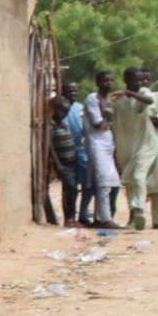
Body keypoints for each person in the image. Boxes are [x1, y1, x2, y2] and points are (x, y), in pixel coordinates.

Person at [108, 67, 158, 228]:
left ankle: (143, 213)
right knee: (132, 181)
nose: (141, 83)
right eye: (137, 80)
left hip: (151, 143)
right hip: (127, 145)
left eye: (144, 79)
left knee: (150, 182)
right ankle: (134, 217)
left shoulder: (152, 97)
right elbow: (108, 113)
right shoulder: (119, 100)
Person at [82, 69, 121, 224]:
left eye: (111, 80)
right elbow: (99, 124)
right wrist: (110, 120)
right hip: (96, 143)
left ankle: (100, 216)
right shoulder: (93, 98)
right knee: (104, 181)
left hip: (108, 143)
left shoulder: (110, 100)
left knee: (111, 181)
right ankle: (103, 218)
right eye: (105, 81)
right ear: (97, 83)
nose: (109, 84)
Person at [48, 89, 87, 226]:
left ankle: (71, 218)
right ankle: (69, 218)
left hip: (72, 161)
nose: (64, 114)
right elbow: (50, 146)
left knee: (72, 190)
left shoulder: (63, 124)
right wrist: (57, 164)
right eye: (62, 111)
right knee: (70, 188)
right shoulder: (50, 125)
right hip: (63, 163)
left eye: (66, 112)